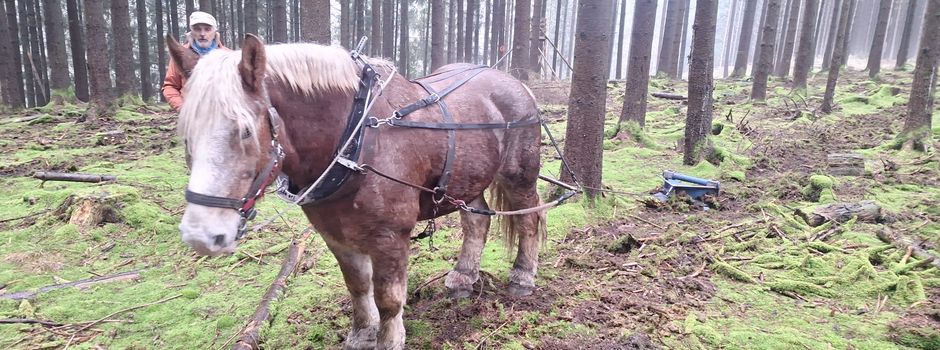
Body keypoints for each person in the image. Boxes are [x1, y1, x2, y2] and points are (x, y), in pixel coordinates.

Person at [162, 11, 231, 112]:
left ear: (214, 31)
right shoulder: (180, 55)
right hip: (191, 114)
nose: (202, 34)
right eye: (197, 29)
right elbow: (170, 86)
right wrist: (182, 108)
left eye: (207, 29)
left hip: (222, 114)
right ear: (191, 31)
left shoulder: (228, 55)